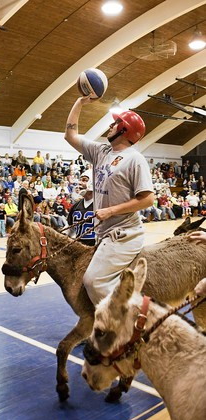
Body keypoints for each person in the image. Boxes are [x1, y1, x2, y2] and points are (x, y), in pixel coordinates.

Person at [64, 97, 154, 305]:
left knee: (93, 282)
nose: (111, 125)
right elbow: (70, 135)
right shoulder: (101, 152)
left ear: (125, 130)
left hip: (125, 233)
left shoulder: (135, 159)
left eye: (116, 123)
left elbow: (148, 199)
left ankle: (126, 324)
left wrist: (111, 211)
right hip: (103, 233)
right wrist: (79, 102)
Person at [67, 170, 95, 246]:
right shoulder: (76, 206)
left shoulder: (102, 204)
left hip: (97, 249)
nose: (79, 183)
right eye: (80, 180)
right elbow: (70, 229)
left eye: (84, 180)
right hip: (80, 249)